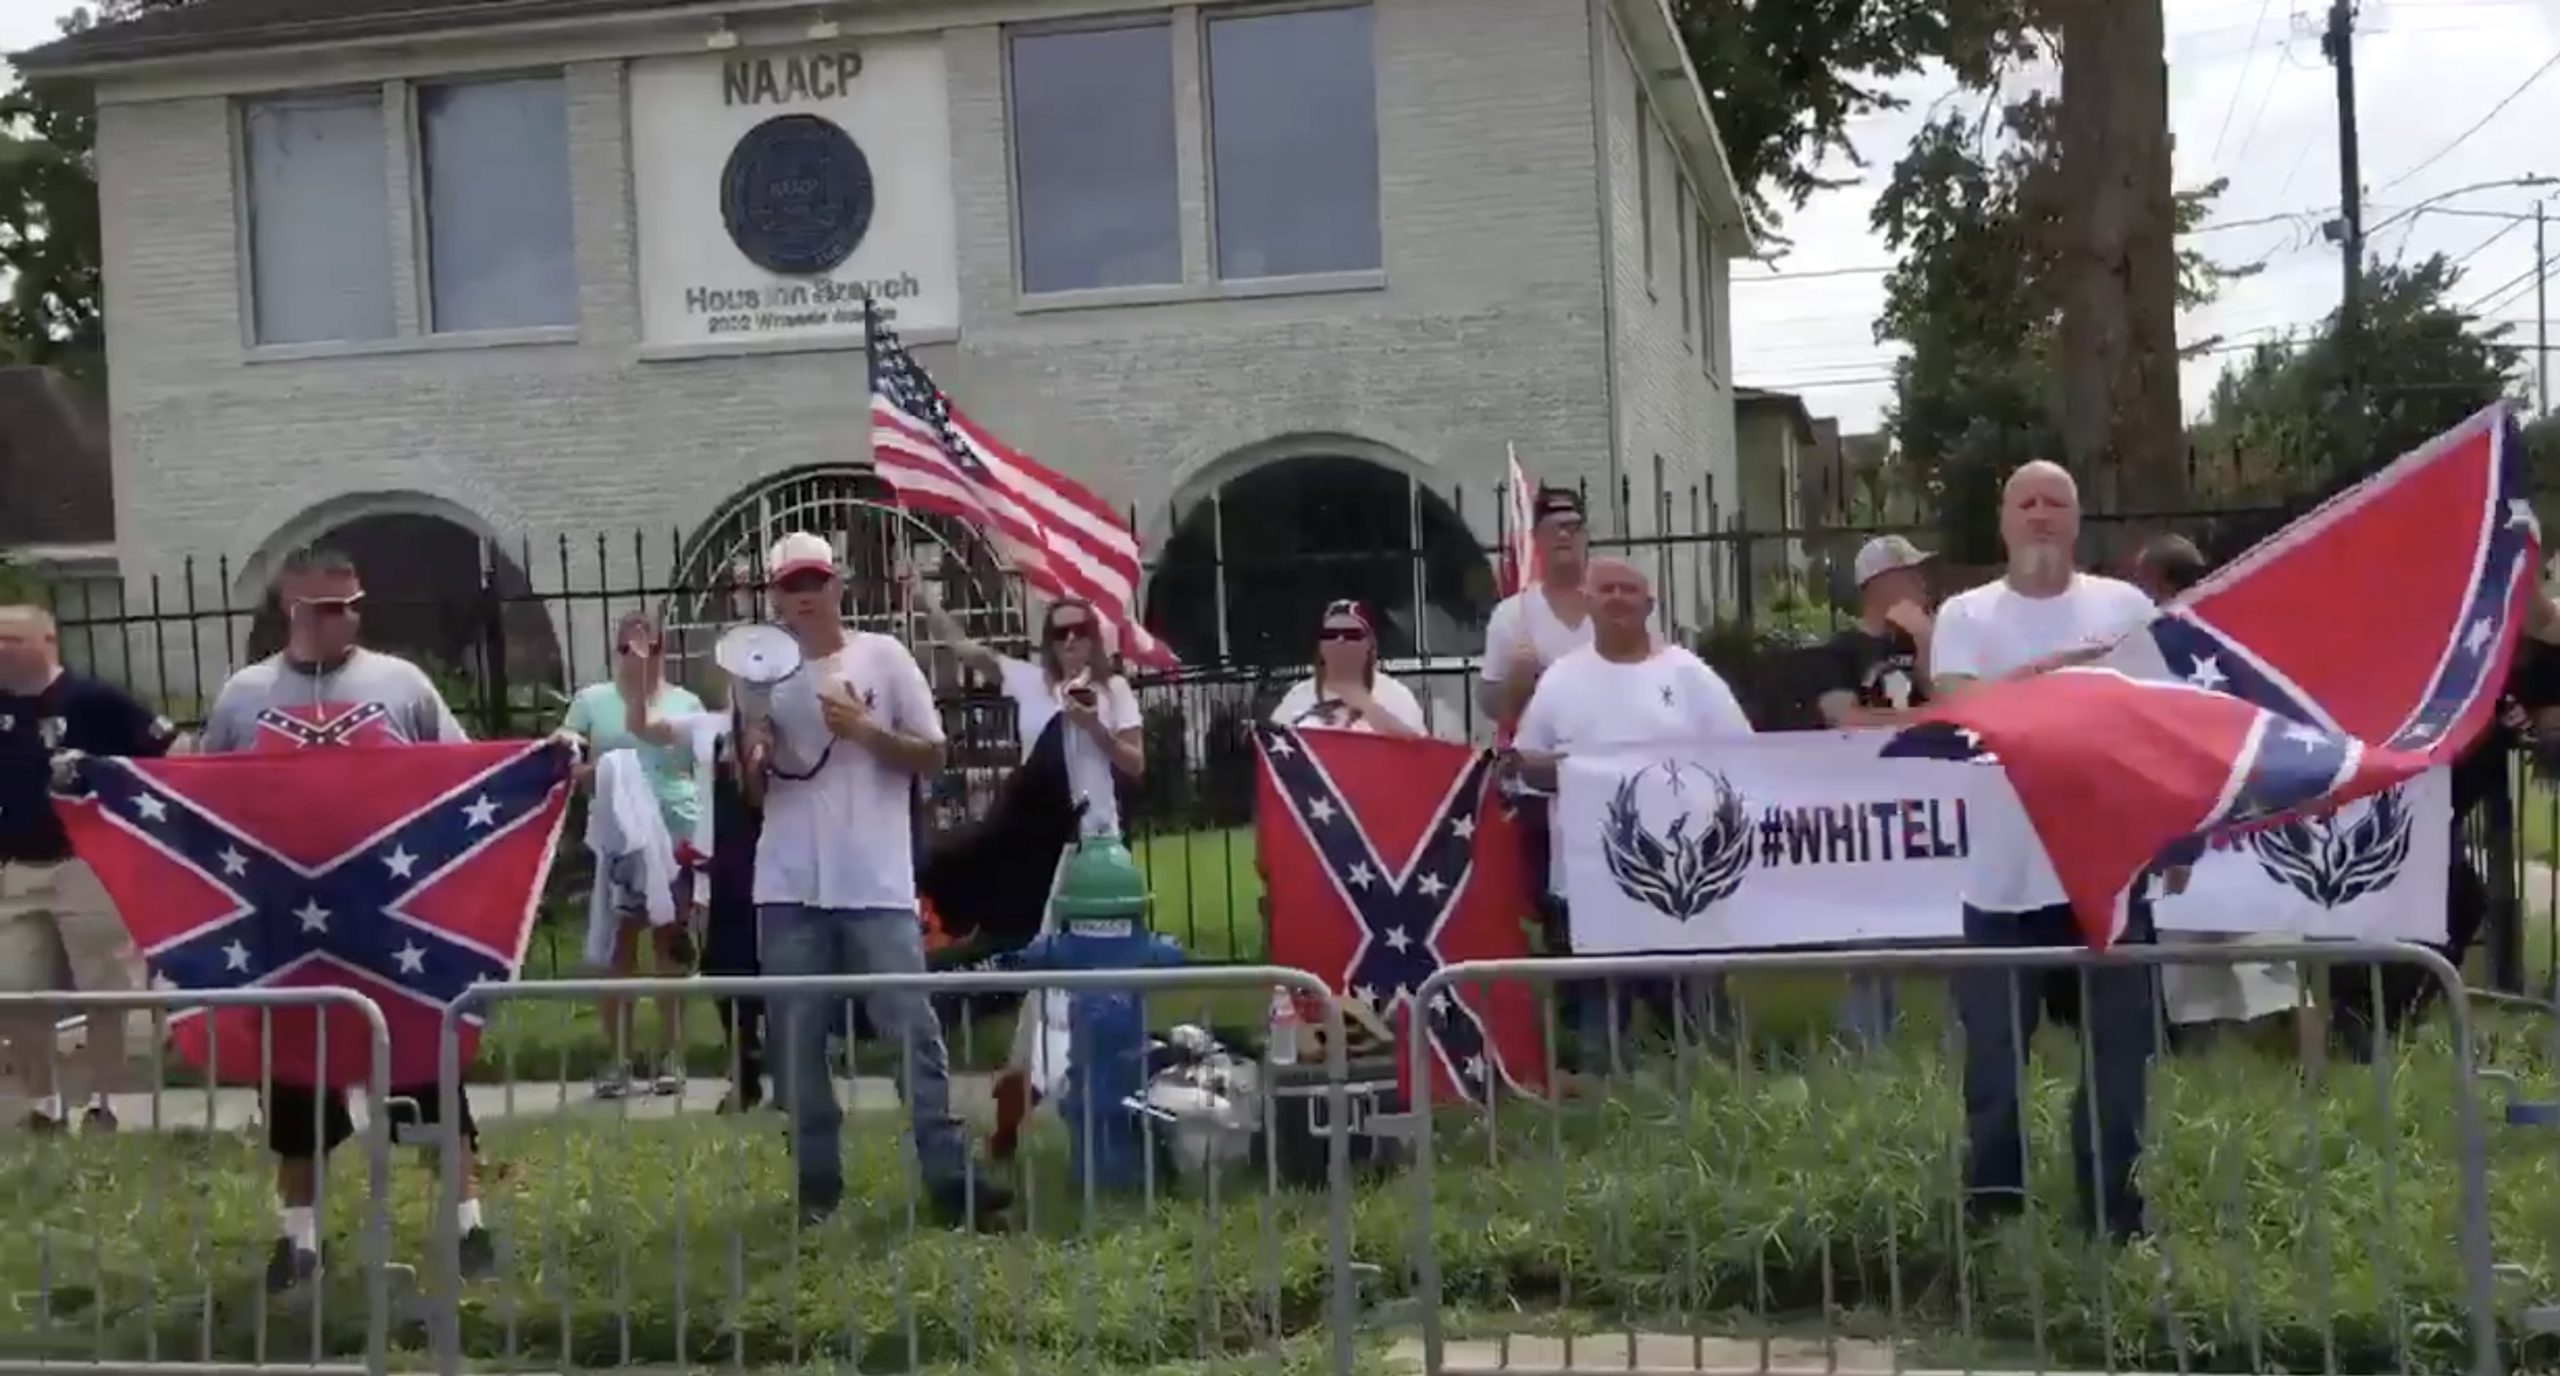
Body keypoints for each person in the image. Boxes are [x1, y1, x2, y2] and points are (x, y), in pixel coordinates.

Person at [192, 546, 498, 1291]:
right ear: (288, 609)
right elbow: (202, 797)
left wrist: (547, 762)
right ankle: (298, 1242)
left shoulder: (403, 685)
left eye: (353, 605)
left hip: (394, 925)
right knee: (295, 1088)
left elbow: (467, 775)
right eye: (326, 608)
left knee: (431, 1073)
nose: (344, 620)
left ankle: (468, 1230)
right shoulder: (244, 695)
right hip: (287, 932)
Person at [1927, 461, 2171, 1242]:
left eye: (2054, 502)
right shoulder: (1964, 616)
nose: (2039, 515)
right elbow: (1970, 708)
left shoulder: (2126, 608)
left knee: (2118, 1066)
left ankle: (2115, 1218)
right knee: (1994, 1067)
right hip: (2002, 881)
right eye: (2024, 502)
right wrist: (2065, 682)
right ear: (2002, 521)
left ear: (2075, 519)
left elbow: (2159, 723)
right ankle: (1995, 1219)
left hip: (2108, 872)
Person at [748, 532, 1008, 1228]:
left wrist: (864, 730)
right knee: (798, 1046)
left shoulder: (883, 657)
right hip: (789, 885)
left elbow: (932, 755)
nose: (803, 596)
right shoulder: (759, 673)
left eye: (814, 582)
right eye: (789, 586)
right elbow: (749, 792)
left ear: (835, 586)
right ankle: (818, 1197)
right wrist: (751, 747)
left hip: (877, 883)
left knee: (912, 1034)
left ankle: (950, 1183)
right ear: (775, 596)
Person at [1511, 557, 1754, 1068]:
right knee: (1599, 1026)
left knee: (1696, 1025)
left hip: (1681, 882)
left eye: (1629, 589)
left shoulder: (1690, 675)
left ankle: (1711, 1104)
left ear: (1649, 603)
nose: (1618, 598)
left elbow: (1743, 756)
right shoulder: (1560, 680)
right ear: (1587, 602)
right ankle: (1604, 1114)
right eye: (1606, 589)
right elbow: (1527, 764)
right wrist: (1567, 773)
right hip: (1589, 882)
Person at [0, 603, 172, 1132]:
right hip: (17, 866)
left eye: (9, 639)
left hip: (86, 865)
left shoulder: (94, 699)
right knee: (18, 989)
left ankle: (105, 1101)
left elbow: (163, 749)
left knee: (104, 989)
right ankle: (44, 1102)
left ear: (46, 641)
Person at [558, 611, 705, 1100]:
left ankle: (672, 1055)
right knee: (617, 949)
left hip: (673, 832)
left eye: (647, 650)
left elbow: (695, 769)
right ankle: (618, 1058)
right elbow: (567, 764)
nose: (637, 659)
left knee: (669, 944)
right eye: (627, 650)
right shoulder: (591, 703)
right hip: (617, 838)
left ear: (662, 650)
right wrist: (601, 769)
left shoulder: (685, 703)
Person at [1812, 535, 1936, 1048]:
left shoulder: (1933, 644)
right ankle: (1864, 1045)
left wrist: (1926, 643)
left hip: (1932, 808)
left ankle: (1960, 1044)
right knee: (1869, 935)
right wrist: (1920, 720)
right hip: (1866, 813)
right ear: (1879, 583)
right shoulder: (1839, 652)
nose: (1922, 584)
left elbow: (1961, 707)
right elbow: (1846, 719)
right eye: (1910, 574)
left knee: (1951, 925)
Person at [911, 581, 1144, 839]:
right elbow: (965, 648)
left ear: (1092, 637)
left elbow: (1135, 763)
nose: (1070, 640)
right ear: (1050, 642)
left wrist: (1096, 729)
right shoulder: (1030, 681)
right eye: (1060, 633)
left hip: (1097, 832)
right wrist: (928, 603)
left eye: (1080, 631)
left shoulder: (1113, 689)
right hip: (1041, 834)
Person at [1270, 600, 1427, 736]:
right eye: (1330, 635)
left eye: (1352, 635)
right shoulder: (1297, 697)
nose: (1340, 640)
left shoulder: (1396, 695)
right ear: (1320, 646)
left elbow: (1420, 752)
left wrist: (1368, 707)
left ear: (1370, 646)